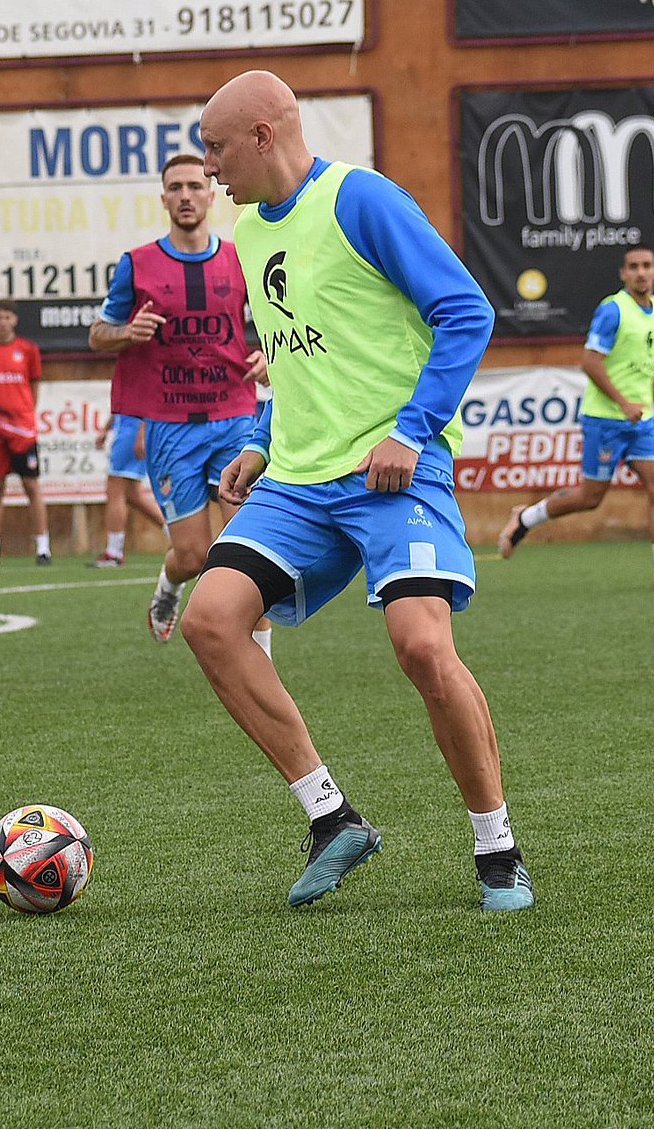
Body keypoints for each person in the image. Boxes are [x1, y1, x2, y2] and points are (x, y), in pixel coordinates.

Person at [178, 70, 533, 913]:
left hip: (395, 473)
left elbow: (466, 311)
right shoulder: (246, 236)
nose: (210, 168)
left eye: (217, 149)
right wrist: (263, 443)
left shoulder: (360, 200)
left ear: (264, 135)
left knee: (420, 645)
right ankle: (332, 819)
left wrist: (411, 431)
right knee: (209, 620)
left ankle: (498, 849)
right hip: (299, 482)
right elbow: (301, 359)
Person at [89, 153, 272, 652]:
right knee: (193, 555)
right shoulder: (137, 264)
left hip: (235, 417)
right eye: (176, 187)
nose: (186, 195)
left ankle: (264, 672)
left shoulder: (241, 257)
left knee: (250, 549)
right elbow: (97, 334)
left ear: (212, 194)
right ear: (164, 198)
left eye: (196, 185)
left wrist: (267, 359)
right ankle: (170, 586)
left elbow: (281, 323)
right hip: (172, 425)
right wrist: (126, 332)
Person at [498, 244, 654, 590]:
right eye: (633, 266)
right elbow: (590, 362)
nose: (641, 272)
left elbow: (645, 362)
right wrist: (623, 403)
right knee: (590, 498)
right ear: (623, 274)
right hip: (605, 419)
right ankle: (526, 517)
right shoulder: (613, 310)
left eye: (647, 265)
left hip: (642, 421)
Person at [0, 300, 51, 567]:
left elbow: (34, 383)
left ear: (14, 320)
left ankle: (43, 548)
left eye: (7, 317)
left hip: (22, 430)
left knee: (31, 485)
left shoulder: (27, 350)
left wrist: (22, 412)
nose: (3, 321)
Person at [90, 413, 165, 567]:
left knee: (114, 488)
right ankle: (177, 534)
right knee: (132, 495)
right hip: (129, 429)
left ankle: (114, 552)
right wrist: (106, 428)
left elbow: (147, 399)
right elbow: (119, 401)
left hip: (132, 431)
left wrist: (142, 434)